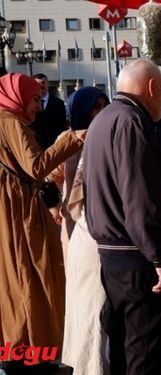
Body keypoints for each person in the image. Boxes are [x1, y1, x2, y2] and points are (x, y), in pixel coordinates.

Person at [83, 59, 161, 374]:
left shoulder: (103, 119)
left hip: (112, 261)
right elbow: (141, 200)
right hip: (136, 262)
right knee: (145, 354)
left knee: (125, 350)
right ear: (152, 88)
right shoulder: (131, 122)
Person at [0, 73, 85, 374]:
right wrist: (72, 139)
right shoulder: (9, 120)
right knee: (30, 280)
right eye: (35, 99)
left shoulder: (8, 119)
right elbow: (34, 167)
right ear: (18, 96)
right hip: (19, 217)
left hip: (16, 212)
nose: (39, 106)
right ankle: (30, 360)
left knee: (22, 283)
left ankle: (27, 356)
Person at [48, 87, 109, 253]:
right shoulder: (68, 139)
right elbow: (51, 177)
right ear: (81, 109)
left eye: (105, 106)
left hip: (106, 216)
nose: (102, 112)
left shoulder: (111, 136)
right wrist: (55, 206)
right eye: (96, 107)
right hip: (74, 216)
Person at [31, 73, 69, 149]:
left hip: (54, 145)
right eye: (37, 83)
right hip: (36, 145)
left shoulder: (59, 103)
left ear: (47, 84)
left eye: (43, 83)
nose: (41, 86)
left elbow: (62, 125)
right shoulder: (30, 104)